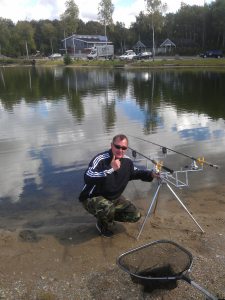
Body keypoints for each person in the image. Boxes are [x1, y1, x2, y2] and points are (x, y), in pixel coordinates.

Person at [79, 134, 158, 237]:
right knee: (107, 207)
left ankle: (106, 216)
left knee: (135, 215)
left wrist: (151, 174)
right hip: (91, 197)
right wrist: (111, 169)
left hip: (113, 198)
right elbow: (88, 176)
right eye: (117, 146)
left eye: (124, 148)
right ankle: (102, 225)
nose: (120, 150)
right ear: (112, 145)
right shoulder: (100, 159)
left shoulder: (127, 162)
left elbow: (136, 173)